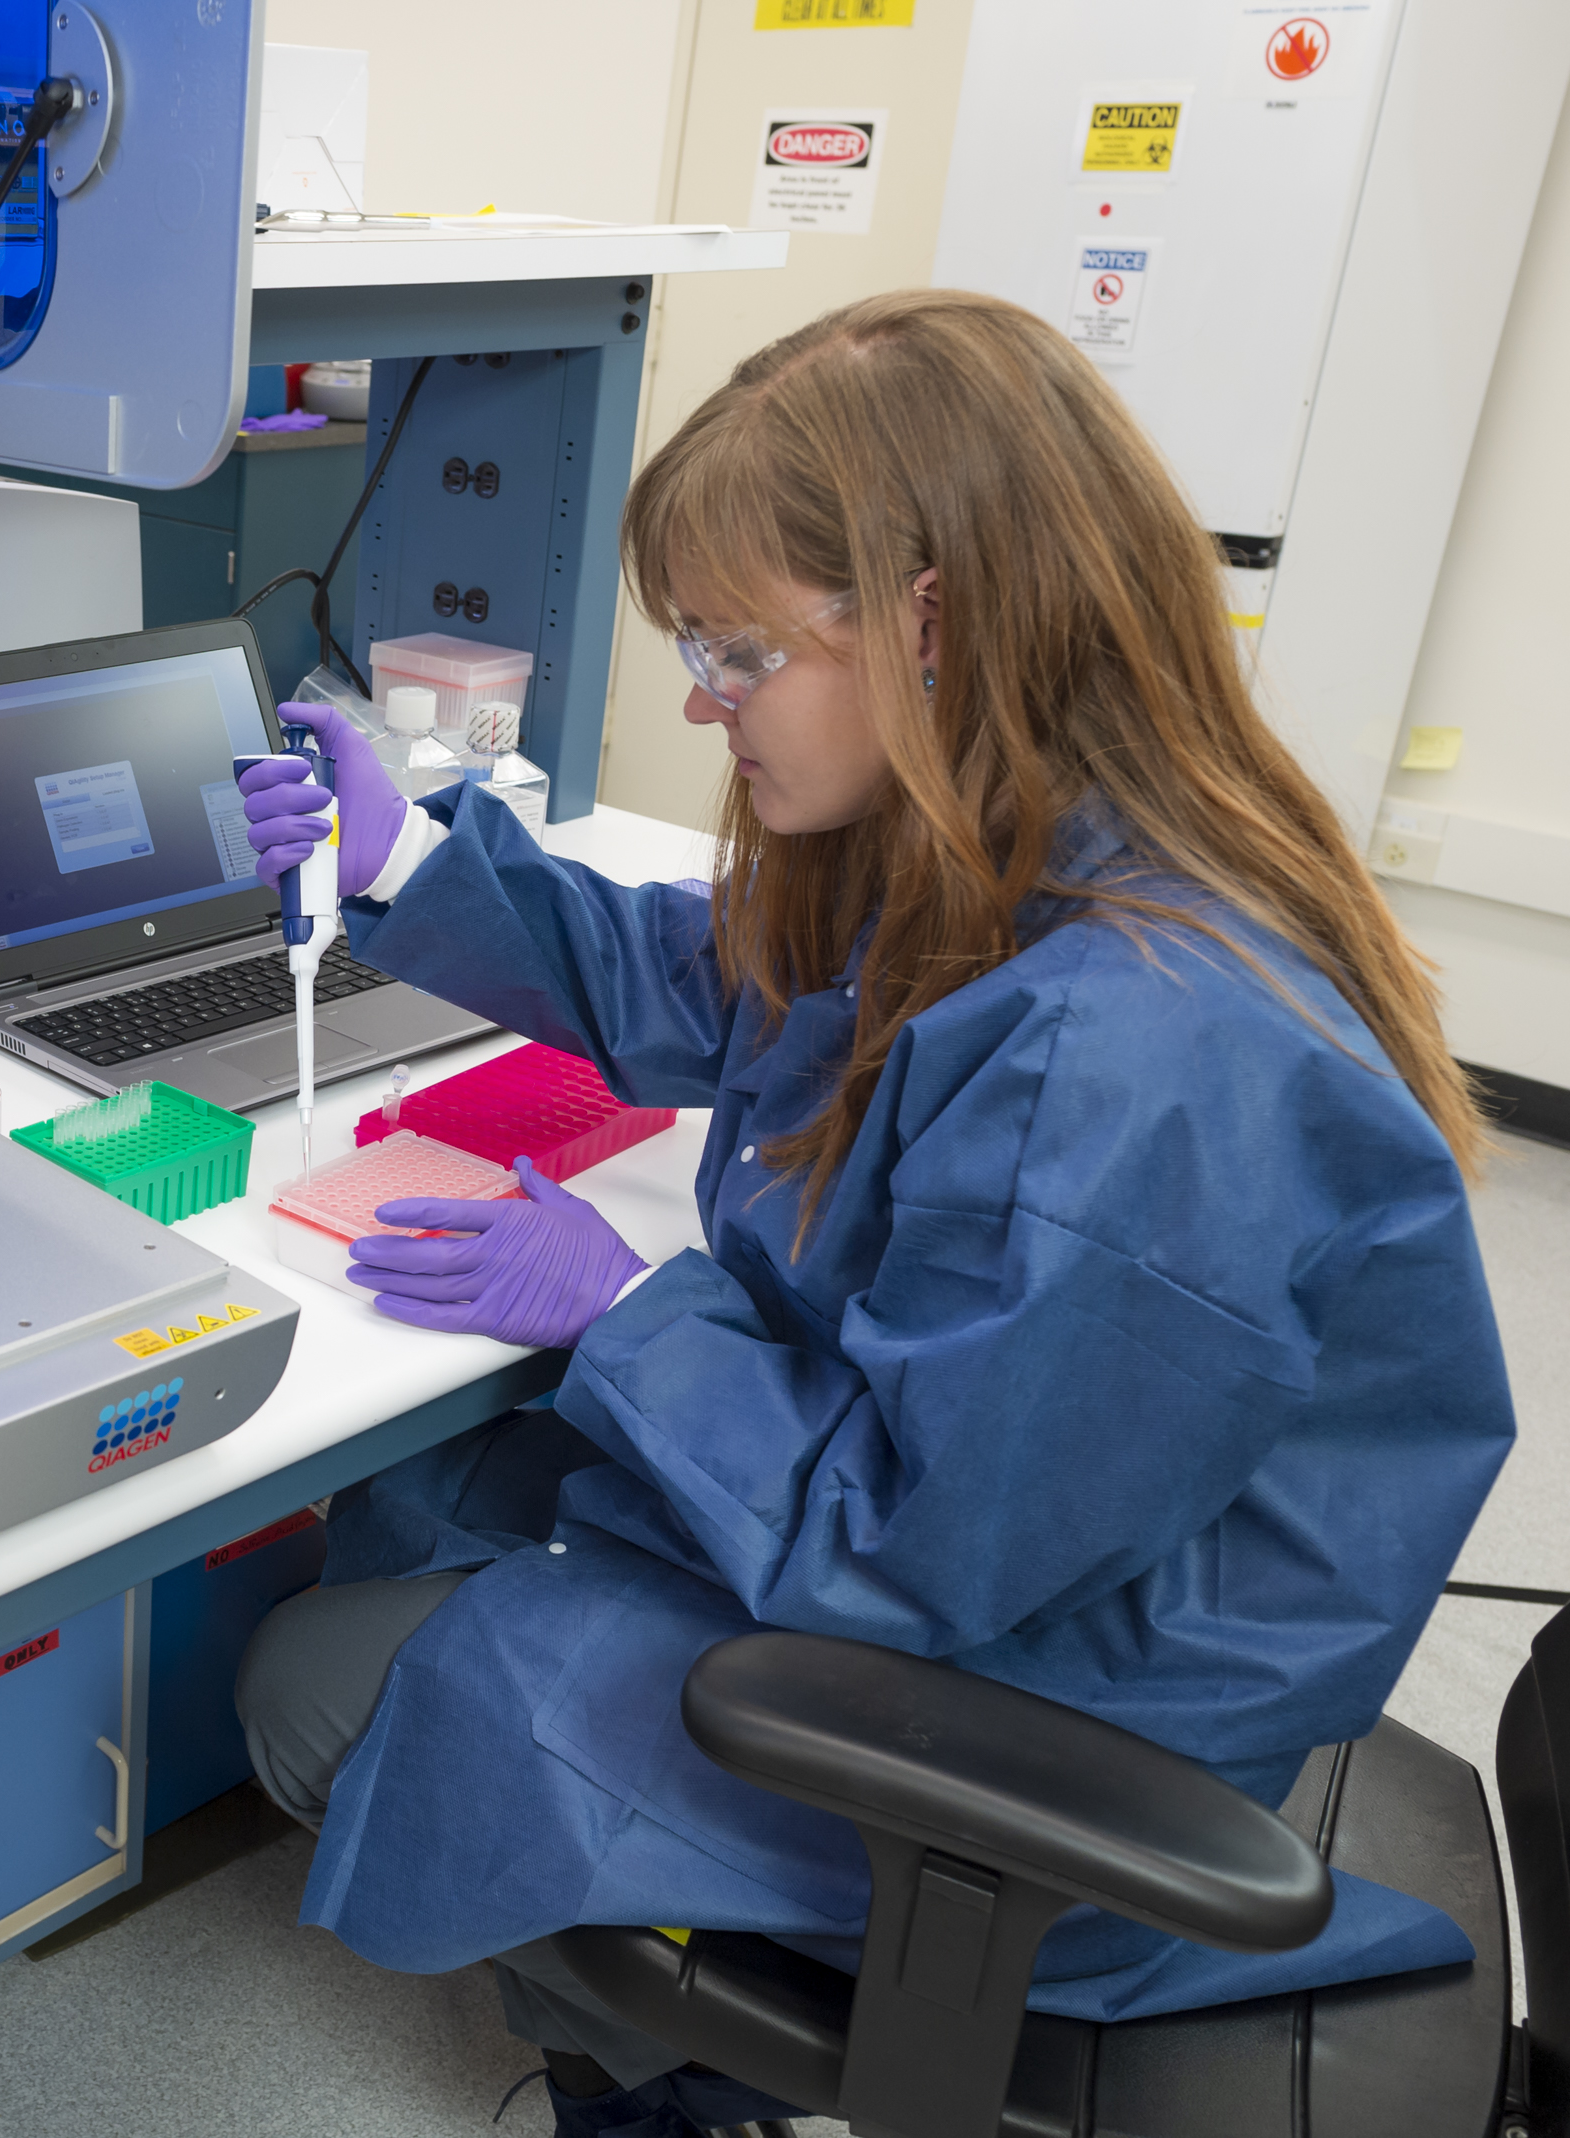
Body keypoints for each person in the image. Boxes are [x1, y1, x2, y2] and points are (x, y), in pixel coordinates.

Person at [228, 289, 1514, 2138]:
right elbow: (738, 983)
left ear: (931, 623)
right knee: (428, 1489)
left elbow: (918, 1552)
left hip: (1052, 1724)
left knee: (323, 1687)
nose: (699, 698)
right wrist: (407, 854)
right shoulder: (1017, 843)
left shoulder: (1140, 1054)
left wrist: (626, 1309)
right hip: (1023, 1557)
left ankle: (677, 2088)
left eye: (736, 650)